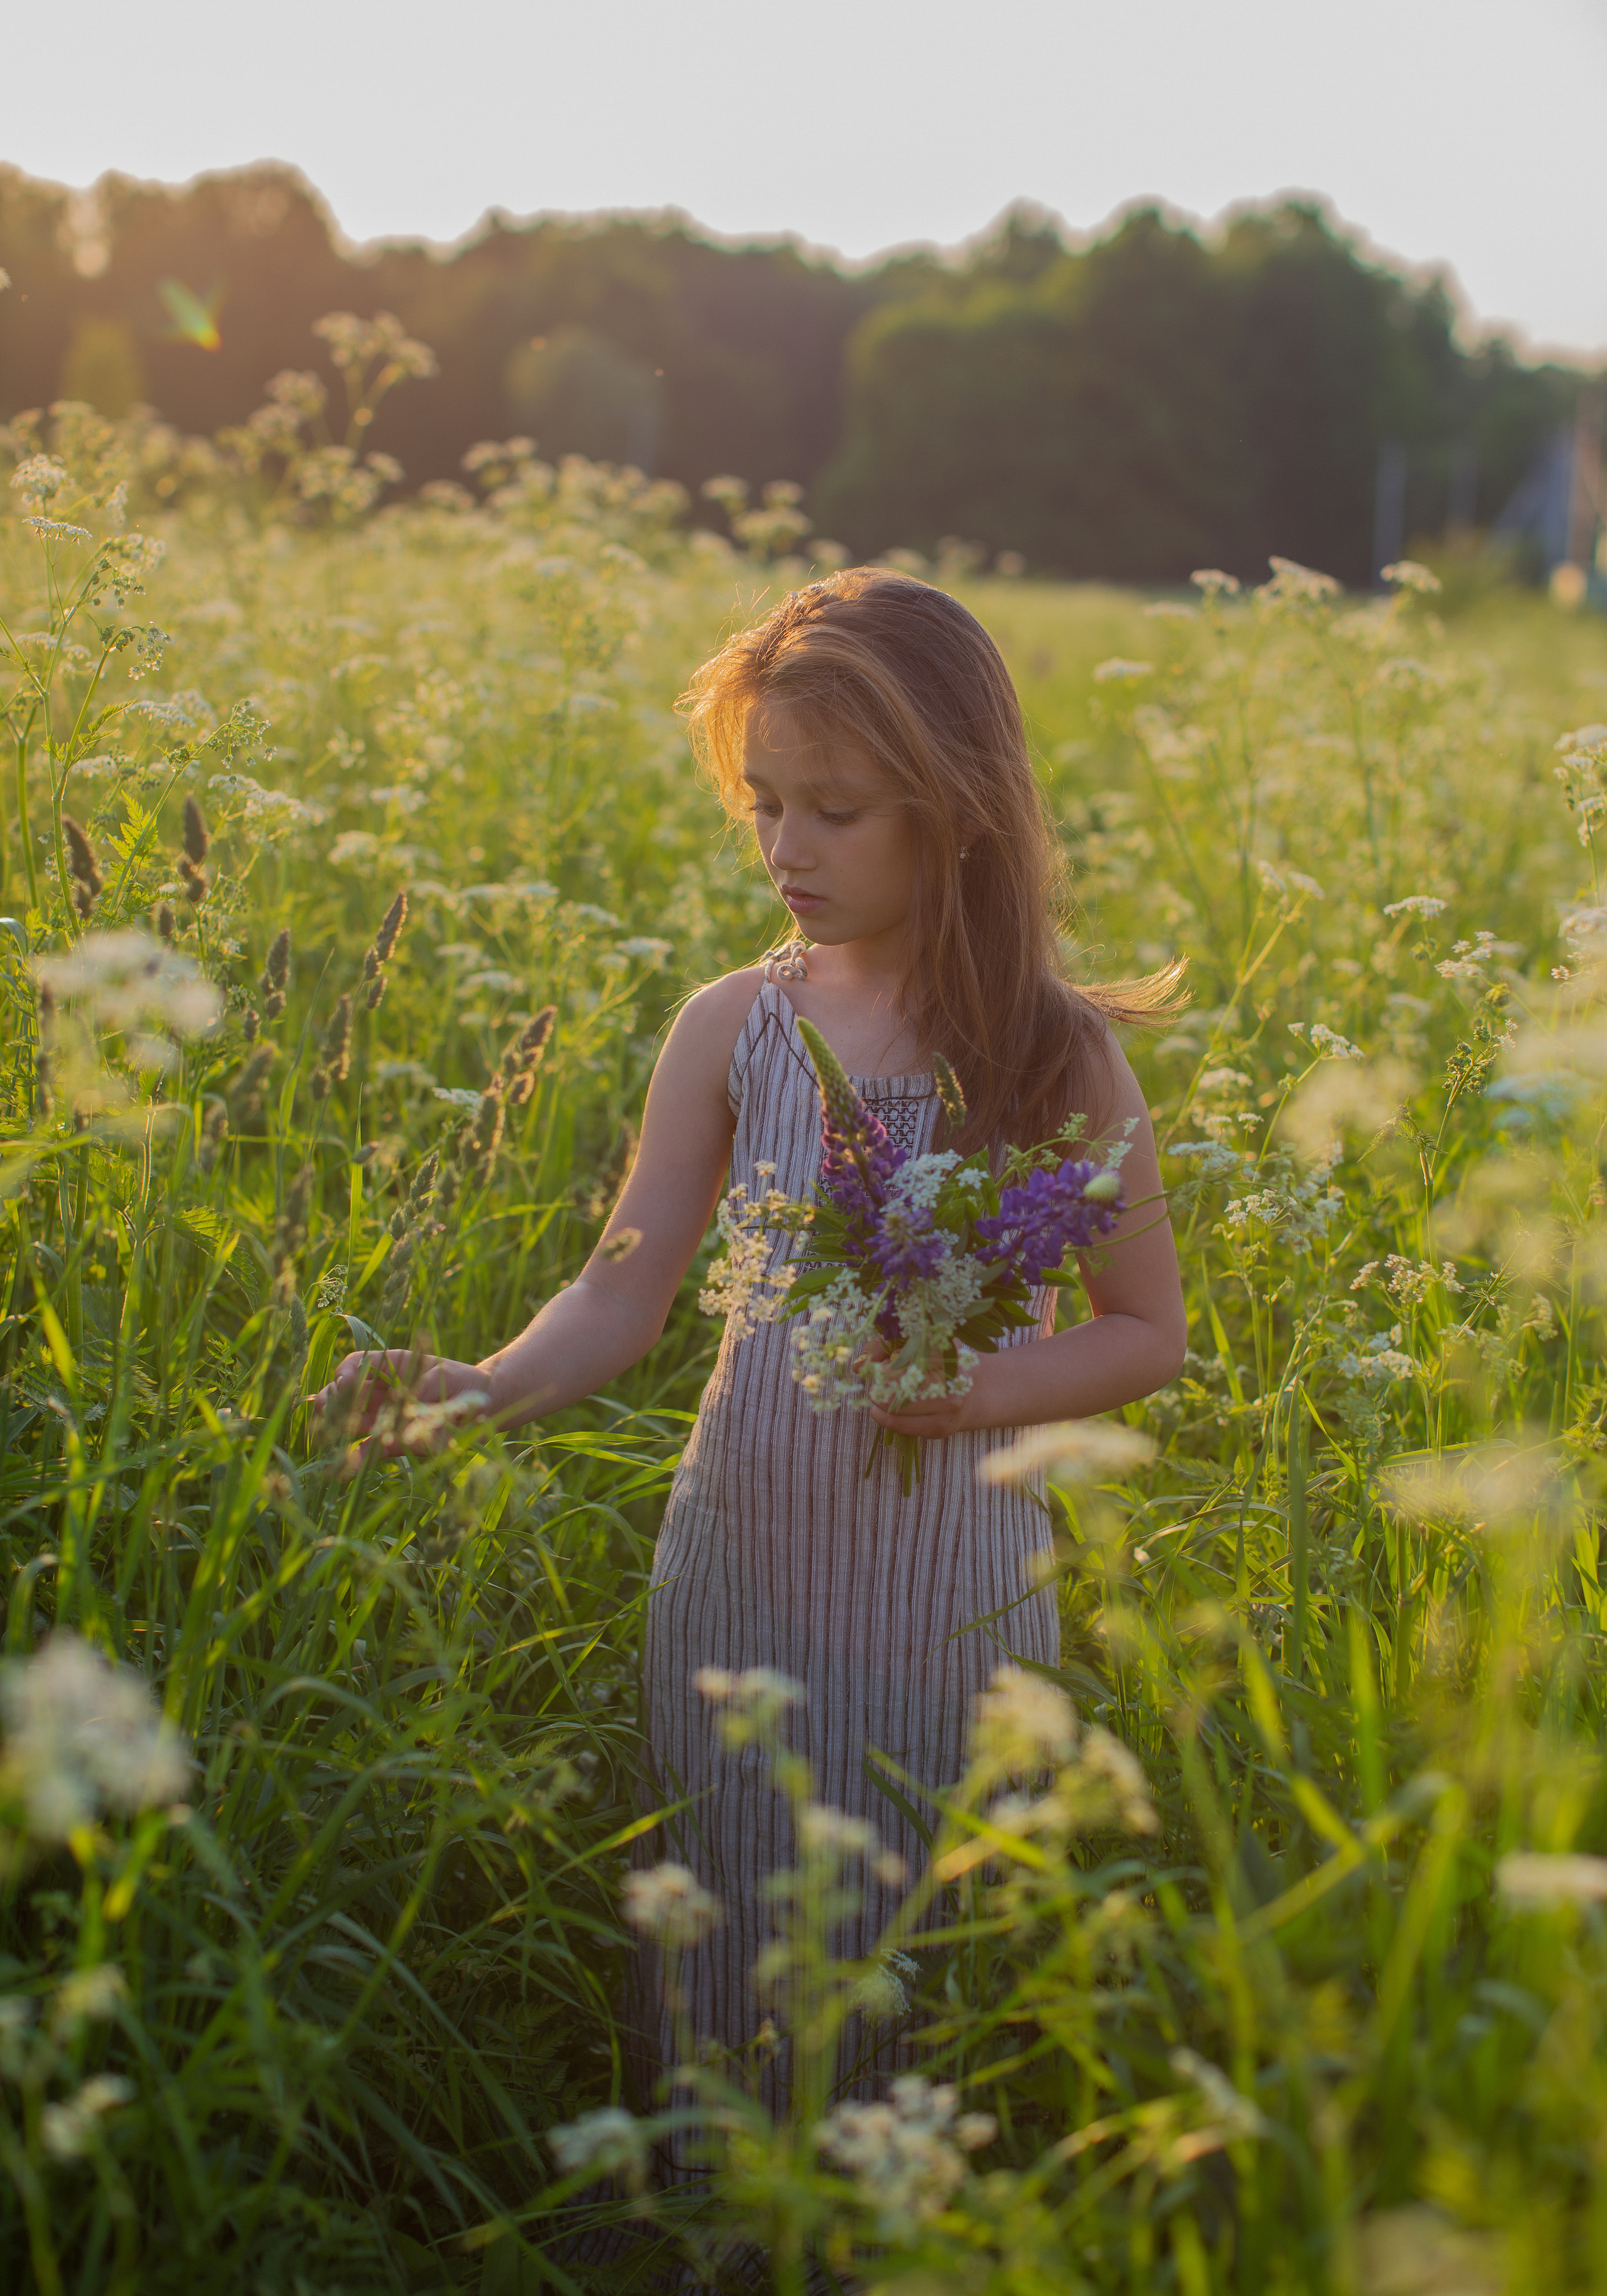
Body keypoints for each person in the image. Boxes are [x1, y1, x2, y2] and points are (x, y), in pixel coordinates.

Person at [320, 566, 1186, 2112]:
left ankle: (881, 2235)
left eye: (835, 810)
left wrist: (978, 1383)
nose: (786, 848)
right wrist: (483, 1388)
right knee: (723, 1919)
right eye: (764, 803)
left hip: (950, 1602)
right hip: (740, 1565)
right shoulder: (738, 1024)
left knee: (913, 1936)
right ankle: (714, 2222)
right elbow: (621, 1288)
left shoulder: (1055, 1053)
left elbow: (1140, 1337)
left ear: (957, 805)